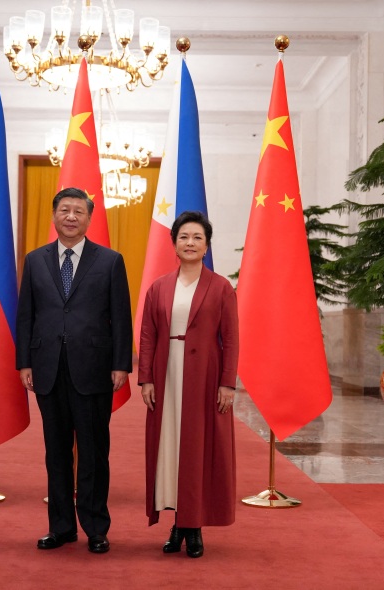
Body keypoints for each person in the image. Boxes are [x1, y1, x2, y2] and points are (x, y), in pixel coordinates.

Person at [16, 187, 133, 554]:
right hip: (48, 368)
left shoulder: (110, 260)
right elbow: (26, 316)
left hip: (94, 369)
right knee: (56, 453)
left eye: (78, 211)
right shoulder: (35, 260)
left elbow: (121, 317)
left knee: (95, 452)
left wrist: (120, 364)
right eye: (64, 210)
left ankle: (96, 527)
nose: (70, 216)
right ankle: (62, 527)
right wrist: (25, 362)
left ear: (89, 218)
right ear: (54, 216)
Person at [138, 211, 239, 558]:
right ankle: (177, 522)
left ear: (207, 244)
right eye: (184, 237)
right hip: (167, 376)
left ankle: (192, 528)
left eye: (197, 237)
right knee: (170, 447)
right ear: (174, 244)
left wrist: (228, 384)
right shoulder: (159, 287)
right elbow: (148, 335)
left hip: (205, 378)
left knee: (198, 448)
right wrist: (146, 378)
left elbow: (232, 339)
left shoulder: (221, 286)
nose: (190, 243)